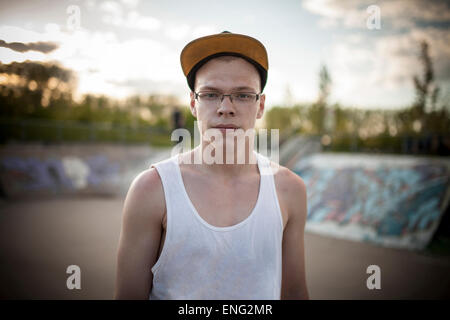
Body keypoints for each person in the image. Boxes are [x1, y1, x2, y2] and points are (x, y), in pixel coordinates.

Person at [114, 31, 309, 300]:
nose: (225, 107)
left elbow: (295, 293)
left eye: (242, 95)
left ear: (260, 105)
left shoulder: (289, 189)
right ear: (193, 103)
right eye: (210, 94)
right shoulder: (152, 189)